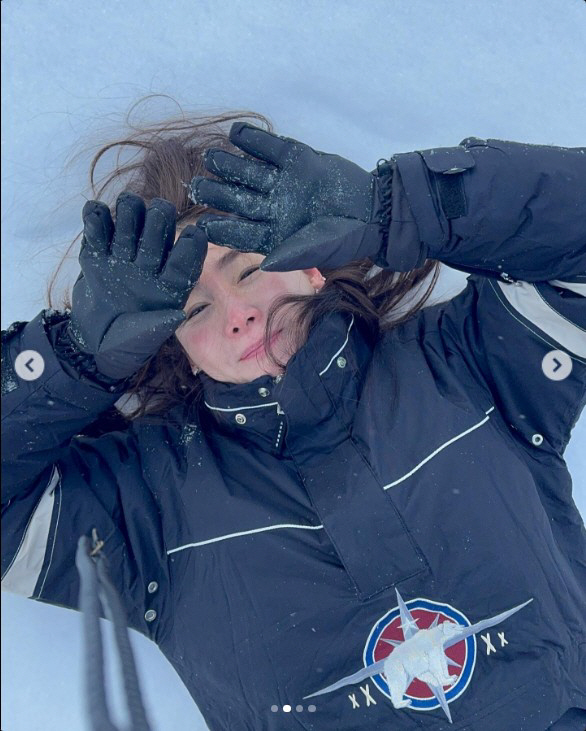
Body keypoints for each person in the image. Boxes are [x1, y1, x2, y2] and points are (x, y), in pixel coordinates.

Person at [2, 106, 585, 731]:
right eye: (193, 311)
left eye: (250, 271)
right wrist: (72, 358)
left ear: (310, 259)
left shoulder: (469, 361)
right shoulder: (146, 500)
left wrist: (400, 206)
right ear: (170, 345)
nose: (239, 316)